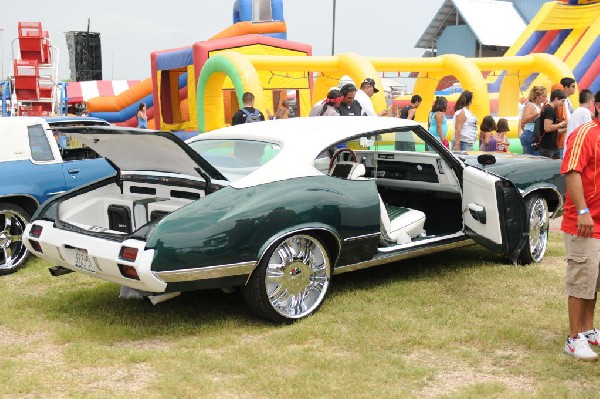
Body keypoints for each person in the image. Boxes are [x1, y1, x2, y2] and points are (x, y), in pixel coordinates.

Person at [559, 89, 600, 361]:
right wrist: (583, 211)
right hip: (583, 223)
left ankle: (587, 330)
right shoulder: (585, 133)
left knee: (593, 281)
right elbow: (572, 172)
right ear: (597, 106)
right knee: (581, 279)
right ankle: (574, 338)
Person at [537, 89, 567, 159]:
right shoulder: (549, 110)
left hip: (552, 146)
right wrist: (561, 124)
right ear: (556, 98)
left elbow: (553, 130)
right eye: (562, 101)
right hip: (547, 147)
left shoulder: (548, 108)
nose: (562, 104)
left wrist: (566, 128)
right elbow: (547, 128)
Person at [519, 86, 547, 155]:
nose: (545, 98)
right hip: (530, 134)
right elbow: (523, 120)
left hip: (536, 135)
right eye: (544, 96)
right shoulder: (530, 105)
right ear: (537, 96)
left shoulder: (540, 106)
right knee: (533, 158)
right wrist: (537, 113)